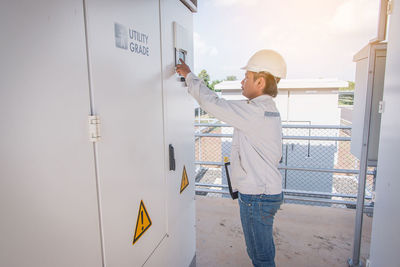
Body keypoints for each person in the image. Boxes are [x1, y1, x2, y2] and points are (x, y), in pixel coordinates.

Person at [176, 49, 286, 267]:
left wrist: (189, 76)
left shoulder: (256, 112)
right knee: (260, 252)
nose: (242, 81)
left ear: (261, 82)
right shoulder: (264, 109)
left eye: (247, 77)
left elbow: (213, 103)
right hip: (262, 193)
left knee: (261, 257)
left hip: (258, 196)